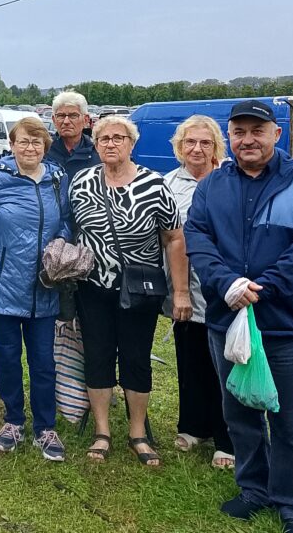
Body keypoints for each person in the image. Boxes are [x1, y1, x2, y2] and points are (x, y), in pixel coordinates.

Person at [185, 100, 293, 533]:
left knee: (291, 422)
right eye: (239, 132)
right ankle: (254, 488)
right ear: (229, 137)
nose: (247, 140)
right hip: (227, 321)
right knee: (240, 414)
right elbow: (198, 237)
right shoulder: (213, 185)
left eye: (257, 130)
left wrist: (261, 288)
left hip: (287, 324)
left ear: (276, 134)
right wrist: (227, 283)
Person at [68, 115, 190, 468]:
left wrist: (181, 292)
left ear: (131, 144)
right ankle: (102, 431)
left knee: (136, 358)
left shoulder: (154, 185)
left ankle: (138, 432)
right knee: (98, 355)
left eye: (118, 138)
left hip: (139, 289)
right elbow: (73, 229)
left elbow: (174, 238)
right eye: (103, 138)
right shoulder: (81, 182)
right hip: (93, 287)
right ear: (96, 144)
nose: (110, 144)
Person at [0, 116, 71, 461]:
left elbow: (66, 221)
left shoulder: (57, 178)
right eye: (23, 141)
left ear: (45, 147)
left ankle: (45, 427)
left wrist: (60, 245)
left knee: (43, 363)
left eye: (36, 142)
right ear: (11, 145)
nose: (29, 148)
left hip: (43, 287)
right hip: (2, 286)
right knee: (8, 358)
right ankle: (13, 420)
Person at [162, 116, 235, 469]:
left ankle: (227, 438)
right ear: (180, 146)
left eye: (205, 143)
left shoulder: (230, 180)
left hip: (221, 287)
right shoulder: (168, 184)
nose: (197, 149)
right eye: (190, 142)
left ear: (216, 147)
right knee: (190, 359)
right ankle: (193, 426)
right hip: (183, 286)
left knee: (224, 364)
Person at [46, 90, 99, 184]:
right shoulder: (44, 151)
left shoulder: (97, 153)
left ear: (85, 119)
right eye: (61, 116)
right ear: (54, 120)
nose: (66, 121)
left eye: (73, 116)